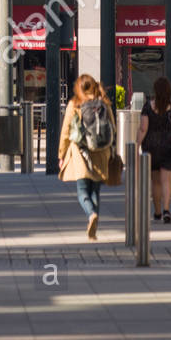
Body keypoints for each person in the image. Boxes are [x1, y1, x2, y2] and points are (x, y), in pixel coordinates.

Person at [57, 74, 115, 239]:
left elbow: (66, 132)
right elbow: (113, 127)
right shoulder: (103, 102)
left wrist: (61, 154)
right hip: (101, 151)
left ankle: (91, 215)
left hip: (81, 153)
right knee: (95, 190)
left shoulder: (74, 104)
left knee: (82, 191)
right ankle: (94, 221)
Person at [137, 75, 171, 223]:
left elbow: (143, 128)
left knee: (155, 182)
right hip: (170, 148)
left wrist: (136, 145)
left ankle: (157, 212)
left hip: (151, 147)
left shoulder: (147, 107)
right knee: (167, 181)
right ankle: (166, 209)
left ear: (155, 90)